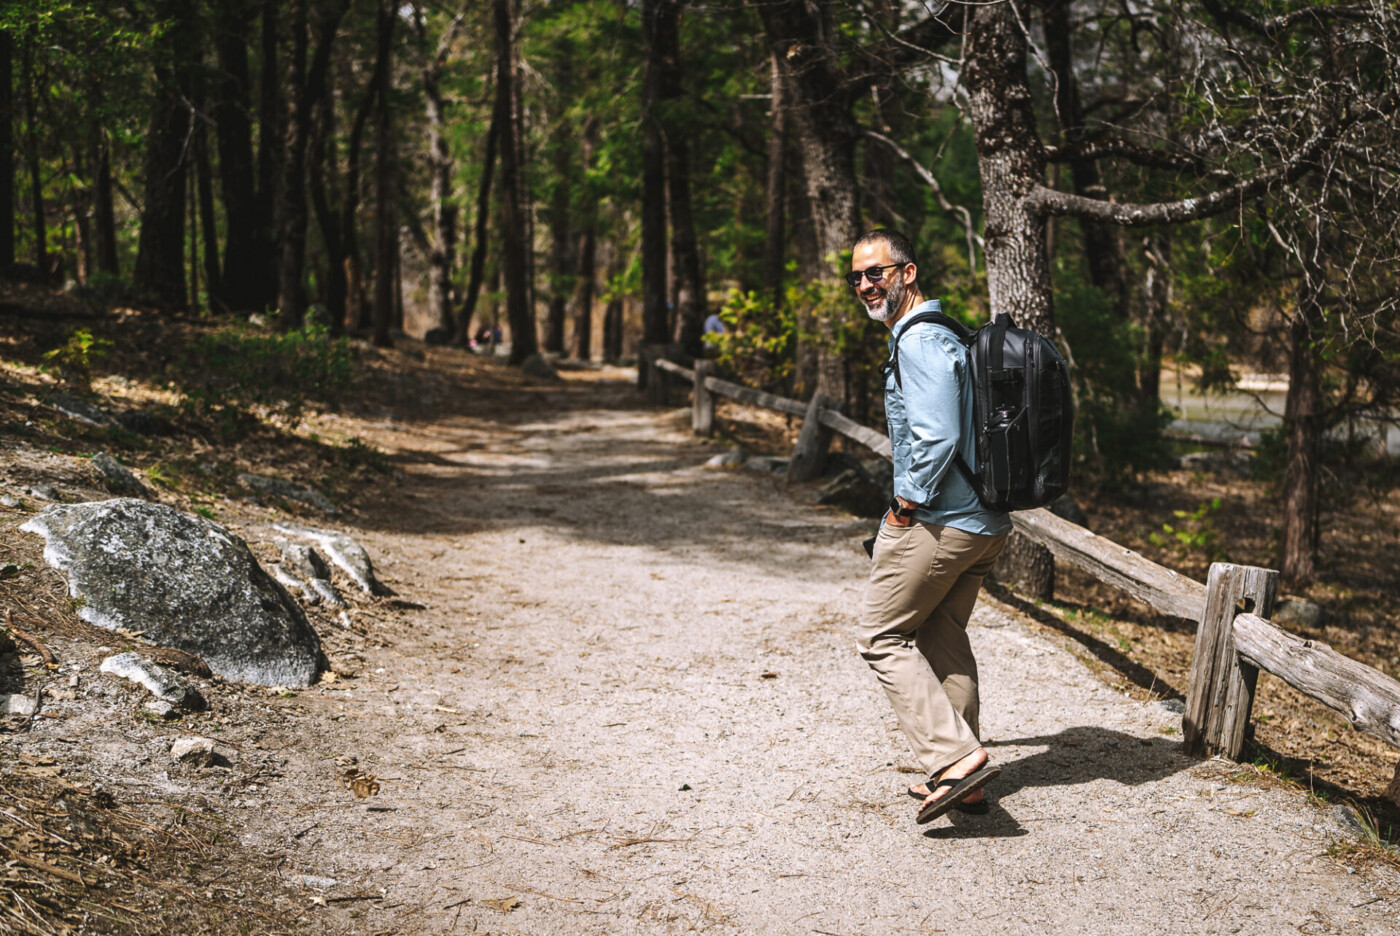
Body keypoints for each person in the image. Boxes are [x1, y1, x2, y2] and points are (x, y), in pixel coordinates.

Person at [849, 228, 1012, 824]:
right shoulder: (947, 333)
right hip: (985, 522)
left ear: (907, 273)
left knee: (879, 636)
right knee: (941, 635)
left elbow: (938, 435)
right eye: (858, 277)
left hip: (942, 521)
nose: (866, 284)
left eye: (878, 273)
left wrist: (904, 504)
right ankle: (966, 781)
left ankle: (957, 759)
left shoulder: (917, 342)